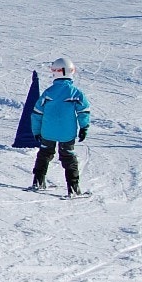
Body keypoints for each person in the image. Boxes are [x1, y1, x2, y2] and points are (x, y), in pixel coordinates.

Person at [30, 56, 91, 196]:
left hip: (48, 132)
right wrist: (84, 127)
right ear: (71, 71)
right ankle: (73, 188)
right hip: (66, 133)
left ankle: (38, 181)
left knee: (44, 154)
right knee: (68, 157)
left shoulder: (49, 92)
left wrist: (36, 131)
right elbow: (83, 111)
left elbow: (37, 113)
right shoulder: (75, 92)